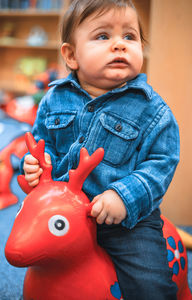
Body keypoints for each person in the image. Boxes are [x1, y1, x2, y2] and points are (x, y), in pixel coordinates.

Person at [21, 0, 180, 299]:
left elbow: (162, 162)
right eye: (103, 36)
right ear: (71, 55)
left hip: (125, 222)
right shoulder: (53, 98)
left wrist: (125, 196)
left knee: (150, 283)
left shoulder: (152, 109)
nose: (120, 45)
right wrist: (35, 164)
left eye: (130, 36)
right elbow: (41, 146)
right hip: (63, 211)